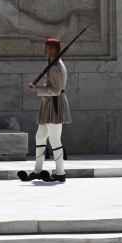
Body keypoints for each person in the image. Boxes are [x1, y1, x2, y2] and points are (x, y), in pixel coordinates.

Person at [17, 38, 72, 183]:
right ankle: (37, 171)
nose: (44, 50)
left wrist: (37, 89)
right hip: (48, 103)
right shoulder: (53, 64)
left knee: (54, 139)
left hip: (54, 103)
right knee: (40, 137)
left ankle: (60, 173)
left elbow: (55, 90)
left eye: (47, 48)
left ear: (54, 49)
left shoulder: (55, 66)